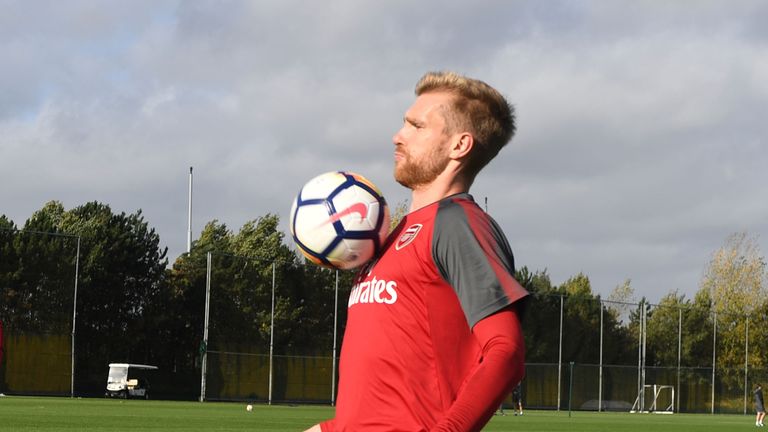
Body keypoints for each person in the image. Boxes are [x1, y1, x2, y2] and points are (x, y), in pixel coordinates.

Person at [304, 71, 528, 432]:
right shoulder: (395, 235)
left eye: (416, 126)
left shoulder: (457, 224)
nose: (398, 135)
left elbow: (506, 352)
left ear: (459, 145)